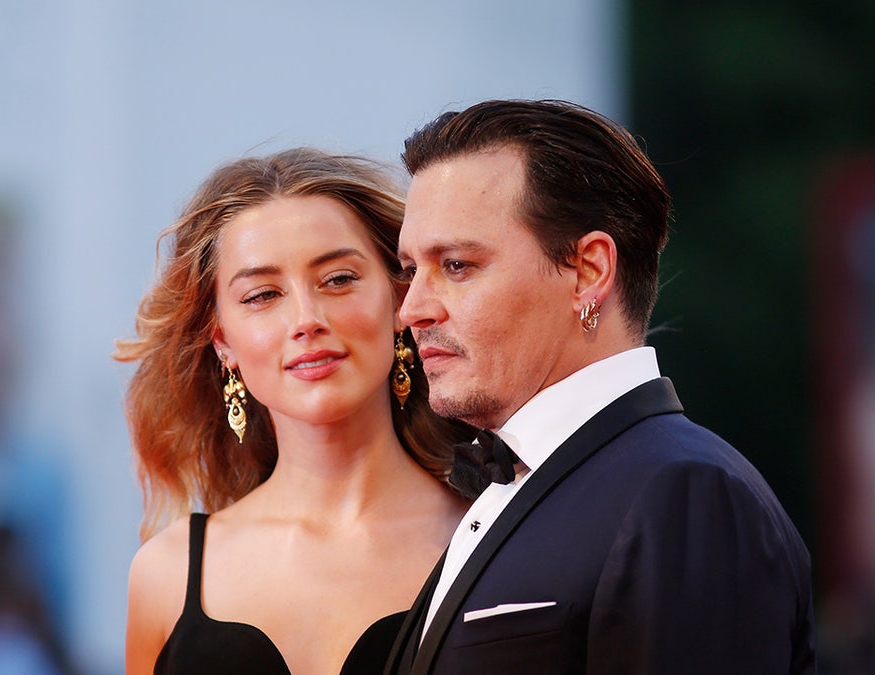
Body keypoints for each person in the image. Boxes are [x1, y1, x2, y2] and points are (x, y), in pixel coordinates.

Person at [384, 99, 816, 674]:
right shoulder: (518, 481)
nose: (411, 309)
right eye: (411, 269)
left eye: (457, 265)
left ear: (588, 271)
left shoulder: (684, 492)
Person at [115, 147, 474, 674]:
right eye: (262, 295)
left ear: (400, 298)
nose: (306, 319)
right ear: (223, 343)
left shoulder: (495, 533)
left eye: (338, 280)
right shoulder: (165, 577)